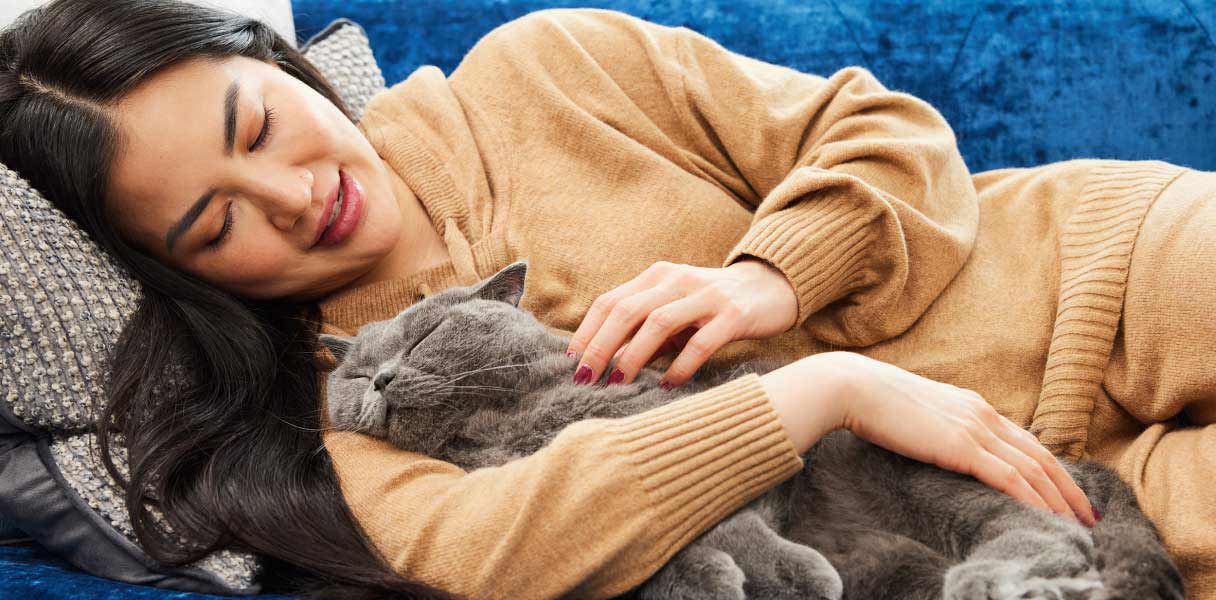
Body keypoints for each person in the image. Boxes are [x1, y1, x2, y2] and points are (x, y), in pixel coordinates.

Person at [1, 0, 1211, 598]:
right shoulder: (355, 415)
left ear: (277, 62)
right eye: (216, 223)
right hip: (1052, 512)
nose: (289, 193)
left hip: (1091, 269)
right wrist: (816, 392)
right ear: (187, 274)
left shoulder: (545, 66)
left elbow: (885, 133)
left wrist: (764, 282)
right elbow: (505, 549)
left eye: (258, 125)